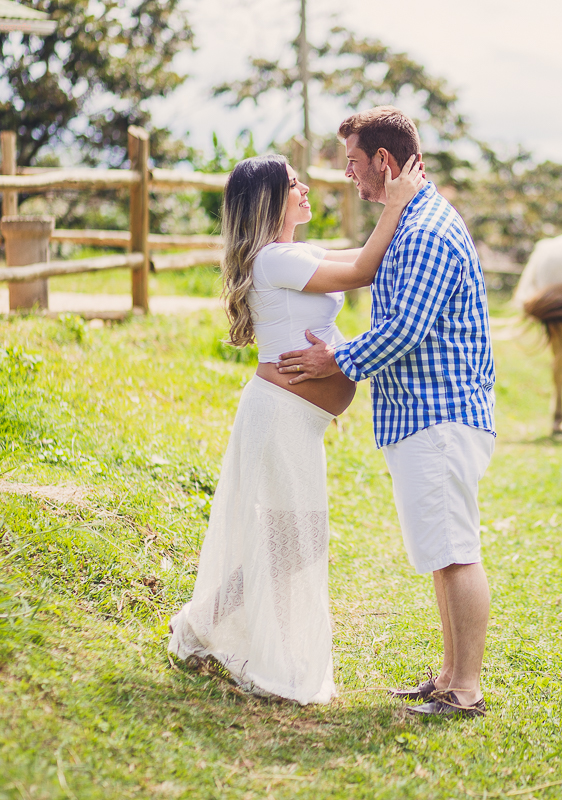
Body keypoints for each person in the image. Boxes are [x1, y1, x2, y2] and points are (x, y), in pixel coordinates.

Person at [167, 152, 423, 705]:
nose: (305, 187)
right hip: (280, 417)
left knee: (289, 547)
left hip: (292, 421)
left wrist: (399, 219)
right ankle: (272, 659)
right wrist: (398, 203)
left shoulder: (292, 254)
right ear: (268, 200)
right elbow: (362, 271)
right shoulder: (273, 260)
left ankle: (199, 625)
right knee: (292, 544)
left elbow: (361, 256)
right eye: (292, 183)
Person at [279, 106, 496, 718]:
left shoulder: (425, 229)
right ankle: (450, 677)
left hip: (441, 415)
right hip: (424, 415)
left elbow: (404, 329)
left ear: (385, 161)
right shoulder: (410, 220)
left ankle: (465, 691)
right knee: (440, 552)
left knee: (456, 552)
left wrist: (336, 361)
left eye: (352, 161)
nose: (348, 174)